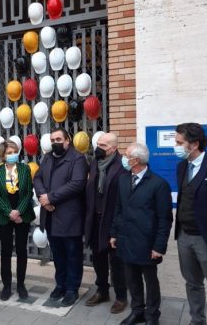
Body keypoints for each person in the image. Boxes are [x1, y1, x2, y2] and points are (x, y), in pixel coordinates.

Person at [110, 142, 173, 325]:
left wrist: (159, 246)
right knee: (132, 278)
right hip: (126, 239)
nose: (124, 158)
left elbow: (165, 219)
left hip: (147, 244)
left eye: (127, 155)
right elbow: (118, 210)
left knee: (150, 281)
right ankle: (137, 311)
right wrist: (114, 233)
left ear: (135, 160)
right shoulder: (123, 180)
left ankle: (152, 315)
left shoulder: (158, 184)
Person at [33, 128, 88, 306]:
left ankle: (72, 288)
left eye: (58, 139)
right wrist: (43, 197)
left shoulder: (77, 158)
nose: (55, 142)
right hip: (50, 215)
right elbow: (38, 178)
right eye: (52, 139)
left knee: (73, 254)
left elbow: (77, 184)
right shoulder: (48, 157)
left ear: (67, 140)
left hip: (69, 217)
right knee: (57, 255)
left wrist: (51, 197)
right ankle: (61, 284)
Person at [173, 123, 207, 325]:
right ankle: (197, 320)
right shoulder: (182, 166)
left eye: (179, 143)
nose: (175, 146)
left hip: (206, 238)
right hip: (184, 236)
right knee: (192, 283)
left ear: (194, 144)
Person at [84, 132, 128, 312]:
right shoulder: (95, 163)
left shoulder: (122, 165)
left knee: (117, 261)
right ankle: (102, 290)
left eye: (102, 145)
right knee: (98, 258)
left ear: (113, 148)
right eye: (98, 144)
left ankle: (121, 296)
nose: (98, 148)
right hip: (95, 219)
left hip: (113, 220)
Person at [0, 140, 35, 301]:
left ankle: (21, 284)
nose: (12, 155)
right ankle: (7, 285)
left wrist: (19, 212)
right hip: (5, 215)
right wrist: (9, 212)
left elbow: (28, 193)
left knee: (22, 250)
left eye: (14, 151)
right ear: (2, 155)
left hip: (22, 214)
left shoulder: (25, 169)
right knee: (6, 251)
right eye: (9, 153)